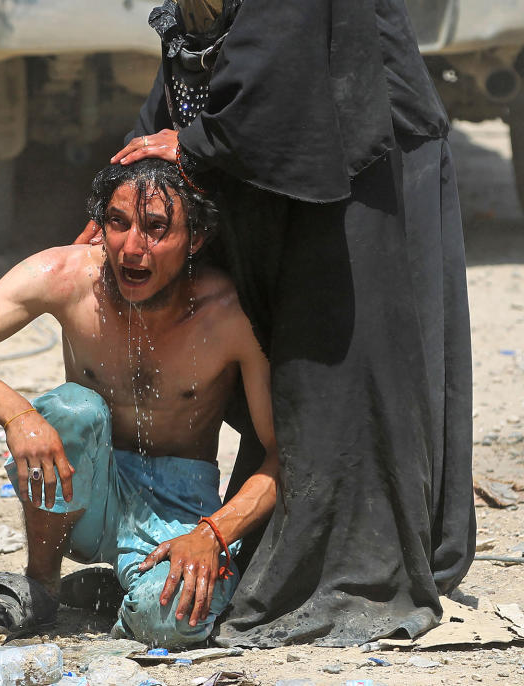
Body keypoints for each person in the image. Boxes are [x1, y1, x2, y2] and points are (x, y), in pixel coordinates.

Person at [78, 0, 475, 646]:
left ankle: (361, 563)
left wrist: (197, 144)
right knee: (293, 372)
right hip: (280, 122)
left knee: (338, 371)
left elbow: (277, 51)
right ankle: (297, 533)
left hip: (346, 137)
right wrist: (132, 179)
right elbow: (191, 63)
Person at [0, 159, 279, 647]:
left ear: (197, 238)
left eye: (156, 228)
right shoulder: (67, 275)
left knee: (166, 622)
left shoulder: (229, 316)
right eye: (118, 223)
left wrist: (212, 534)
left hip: (177, 504)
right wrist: (19, 416)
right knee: (72, 409)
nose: (131, 246)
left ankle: (117, 594)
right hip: (82, 492)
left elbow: (281, 457)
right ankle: (40, 584)